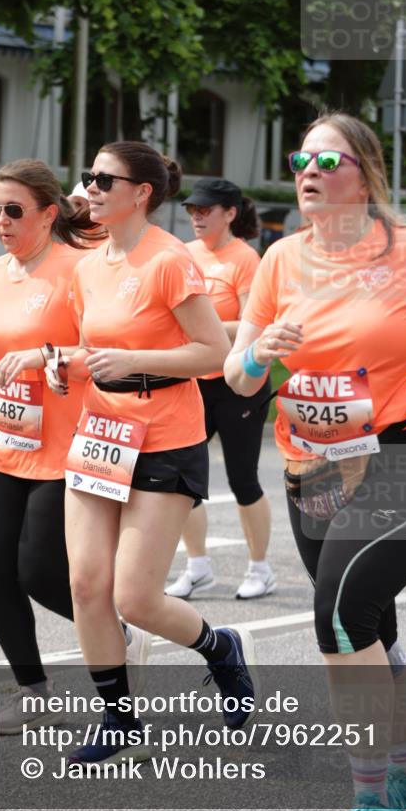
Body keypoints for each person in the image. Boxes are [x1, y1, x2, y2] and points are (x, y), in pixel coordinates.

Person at [224, 114, 406, 811]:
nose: (308, 171)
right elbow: (239, 376)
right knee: (369, 620)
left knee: (339, 616)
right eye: (299, 158)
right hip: (311, 465)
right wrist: (259, 351)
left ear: (364, 173)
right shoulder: (279, 259)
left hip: (403, 454)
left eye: (327, 159)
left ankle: (372, 796)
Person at [0, 159, 148, 734]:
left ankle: (117, 634)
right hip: (3, 445)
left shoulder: (82, 270)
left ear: (48, 213)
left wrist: (51, 360)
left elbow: (105, 351)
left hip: (69, 448)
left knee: (40, 571)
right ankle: (32, 688)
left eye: (14, 210)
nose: (2, 221)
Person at [47, 141, 259, 766]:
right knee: (87, 584)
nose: (89, 187)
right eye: (87, 176)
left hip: (166, 433)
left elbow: (215, 352)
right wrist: (69, 368)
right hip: (101, 432)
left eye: (103, 179)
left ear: (141, 192)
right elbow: (94, 347)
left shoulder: (168, 261)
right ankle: (118, 716)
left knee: (134, 598)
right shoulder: (88, 262)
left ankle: (219, 647)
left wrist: (135, 361)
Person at [165, 177, 276, 600]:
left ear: (229, 213)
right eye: (192, 210)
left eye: (206, 210)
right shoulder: (184, 254)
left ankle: (261, 569)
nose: (196, 217)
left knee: (242, 478)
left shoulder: (246, 259)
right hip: (196, 379)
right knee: (183, 477)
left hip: (240, 383)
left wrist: (203, 327)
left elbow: (254, 323)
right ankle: (197, 567)